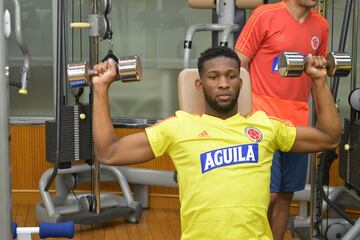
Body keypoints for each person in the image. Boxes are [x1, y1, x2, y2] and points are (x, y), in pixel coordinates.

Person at [92, 46, 339, 240]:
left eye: (231, 76)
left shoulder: (265, 126)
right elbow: (109, 153)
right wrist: (101, 88)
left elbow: (329, 137)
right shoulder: (179, 127)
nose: (223, 83)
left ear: (240, 83)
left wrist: (318, 80)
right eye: (214, 77)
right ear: (200, 85)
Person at [234, 0, 329, 238]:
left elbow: (319, 77)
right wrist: (237, 117)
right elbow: (238, 65)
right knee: (268, 194)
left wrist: (321, 125)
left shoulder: (321, 25)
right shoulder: (264, 15)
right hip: (260, 118)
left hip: (297, 121)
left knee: (286, 194)